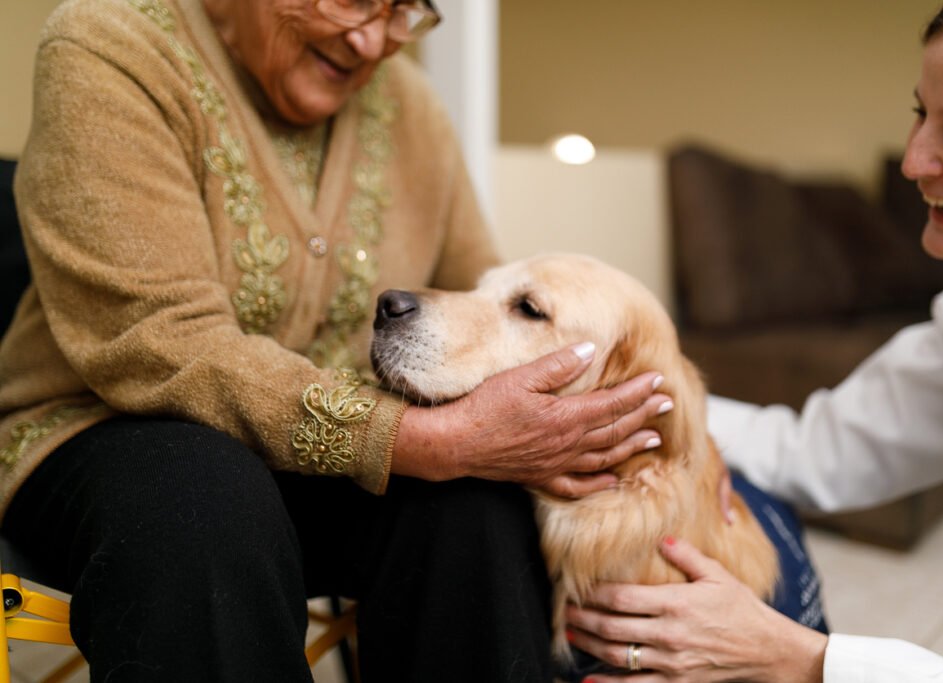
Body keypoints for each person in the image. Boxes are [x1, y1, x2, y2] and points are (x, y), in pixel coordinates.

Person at [0, 0, 673, 681]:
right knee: (203, 497)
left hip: (327, 466)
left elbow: (477, 305)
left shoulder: (411, 107)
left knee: (474, 506)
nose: (372, 39)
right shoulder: (109, 46)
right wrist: (432, 442)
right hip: (101, 432)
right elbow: (157, 340)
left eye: (406, 9)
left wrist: (674, 454)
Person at [563, 0, 943, 681]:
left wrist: (799, 657)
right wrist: (631, 403)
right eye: (921, 112)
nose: (913, 159)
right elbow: (813, 448)